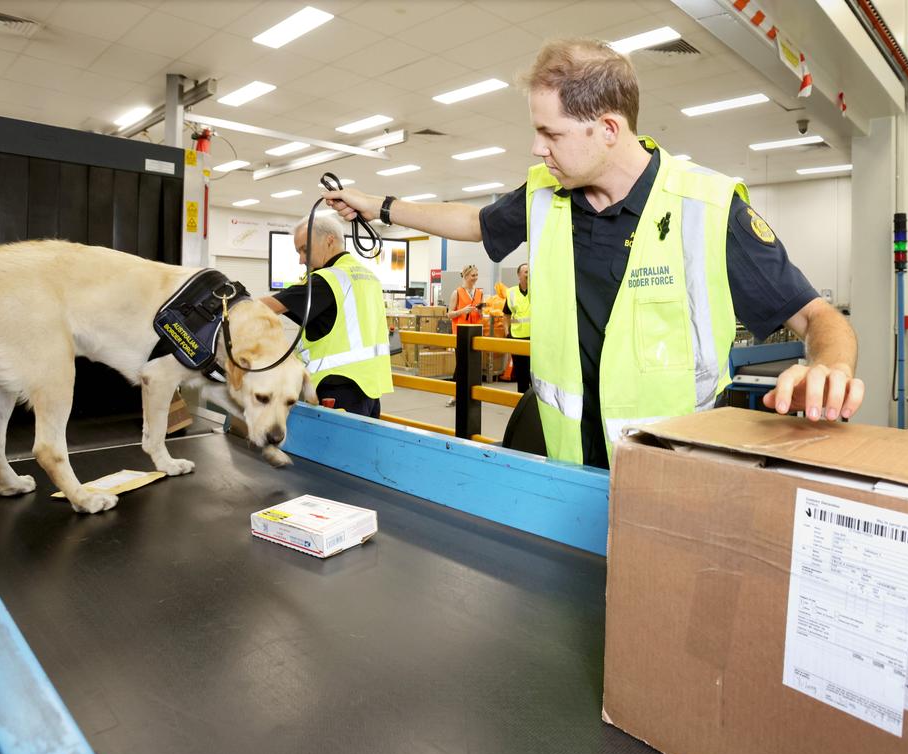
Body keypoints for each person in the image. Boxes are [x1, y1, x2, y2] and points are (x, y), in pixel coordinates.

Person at [324, 38, 864, 469]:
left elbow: (815, 315)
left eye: (549, 132)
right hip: (568, 470)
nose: (538, 148)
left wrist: (830, 366)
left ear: (608, 128)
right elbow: (472, 221)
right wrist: (378, 205)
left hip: (673, 471)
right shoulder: (544, 193)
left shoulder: (707, 207)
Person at [260, 214, 393, 418]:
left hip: (337, 391)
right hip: (369, 390)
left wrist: (228, 304)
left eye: (305, 249)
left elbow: (267, 307)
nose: (301, 260)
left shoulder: (328, 279)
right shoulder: (367, 275)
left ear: (329, 240)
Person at [444, 264, 484, 405]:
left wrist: (480, 312)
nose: (475, 278)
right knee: (461, 365)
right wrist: (463, 311)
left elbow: (481, 314)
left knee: (472, 365)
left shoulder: (479, 293)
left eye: (476, 275)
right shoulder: (457, 293)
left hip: (475, 333)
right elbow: (449, 314)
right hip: (461, 333)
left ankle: (469, 395)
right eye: (473, 275)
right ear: (466, 276)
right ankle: (454, 394)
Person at [503, 263, 531, 394]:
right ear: (519, 275)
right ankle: (522, 402)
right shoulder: (512, 293)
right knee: (521, 375)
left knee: (535, 375)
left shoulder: (538, 290)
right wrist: (507, 332)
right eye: (525, 272)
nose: (528, 274)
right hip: (517, 338)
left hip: (535, 339)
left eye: (529, 272)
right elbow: (506, 314)